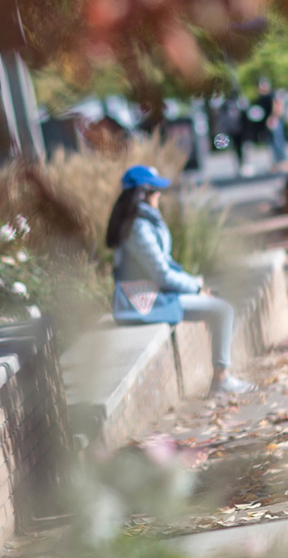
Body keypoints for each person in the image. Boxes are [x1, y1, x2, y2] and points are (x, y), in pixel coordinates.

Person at [107, 165, 256, 394]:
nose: (159, 195)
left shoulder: (141, 222)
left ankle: (222, 376)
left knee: (219, 306)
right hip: (144, 300)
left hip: (152, 293)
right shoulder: (138, 227)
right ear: (142, 194)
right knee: (223, 310)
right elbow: (162, 273)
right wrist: (195, 289)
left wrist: (194, 286)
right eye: (155, 190)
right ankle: (222, 379)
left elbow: (162, 268)